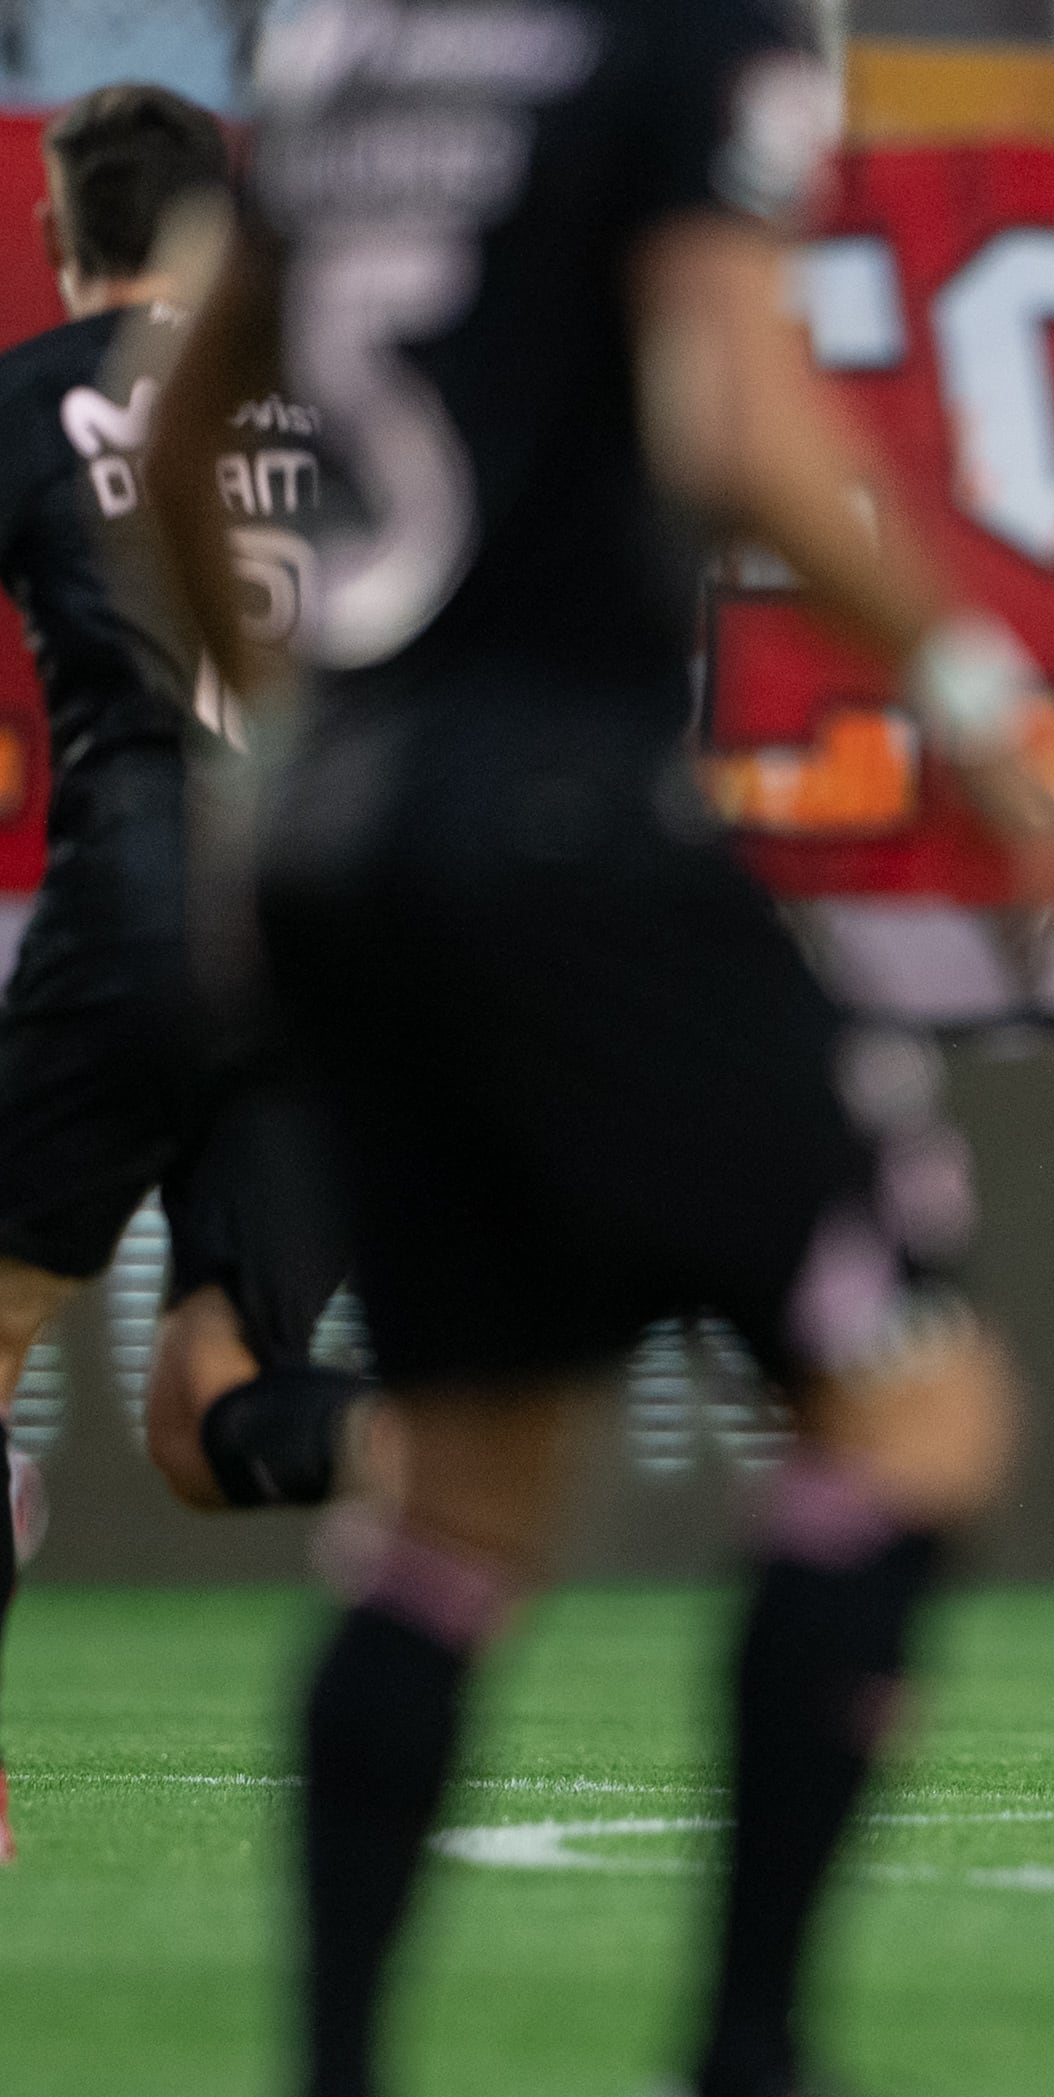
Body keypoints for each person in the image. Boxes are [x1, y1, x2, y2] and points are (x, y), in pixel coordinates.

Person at [153, 4, 1054, 2092]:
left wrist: (279, 750)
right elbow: (735, 417)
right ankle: (749, 2049)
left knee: (458, 1504)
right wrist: (970, 684)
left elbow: (191, 408)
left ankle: (334, 2066)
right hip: (571, 810)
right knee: (917, 1418)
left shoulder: (341, 50)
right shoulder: (692, 32)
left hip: (345, 833)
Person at [0, 84, 378, 1869]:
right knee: (209, 1411)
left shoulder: (40, 388)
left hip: (142, 897)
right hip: (334, 930)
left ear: (71, 234)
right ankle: (448, 1432)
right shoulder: (359, 394)